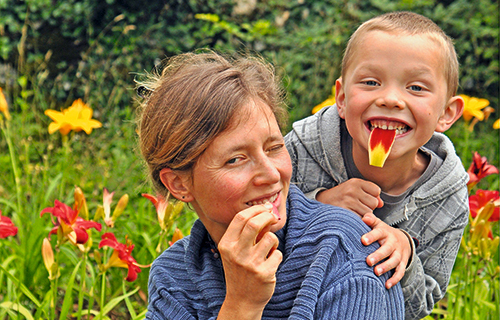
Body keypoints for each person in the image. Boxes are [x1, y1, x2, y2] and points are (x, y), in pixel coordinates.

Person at [136, 51, 404, 319]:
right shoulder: (172, 277)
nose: (271, 175)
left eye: (274, 147)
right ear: (178, 184)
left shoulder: (341, 249)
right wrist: (242, 305)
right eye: (235, 159)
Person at [285, 11, 468, 320]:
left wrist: (405, 258)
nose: (391, 99)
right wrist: (315, 204)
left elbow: (420, 305)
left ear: (446, 112)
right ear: (341, 98)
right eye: (371, 82)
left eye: (416, 88)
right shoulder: (301, 150)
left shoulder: (449, 202)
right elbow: (249, 215)